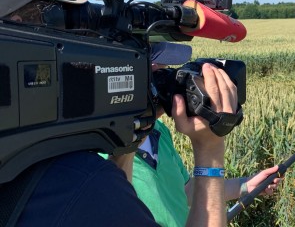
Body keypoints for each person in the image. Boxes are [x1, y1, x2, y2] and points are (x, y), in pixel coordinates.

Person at [0, 0, 237, 226]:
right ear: (19, 35)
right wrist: (210, 153)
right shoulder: (80, 186)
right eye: (55, 17)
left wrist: (126, 140)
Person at [109, 41, 282, 227]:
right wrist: (210, 149)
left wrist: (245, 186)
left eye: (163, 67)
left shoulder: (157, 130)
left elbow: (184, 190)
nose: (161, 75)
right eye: (150, 66)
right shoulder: (96, 148)